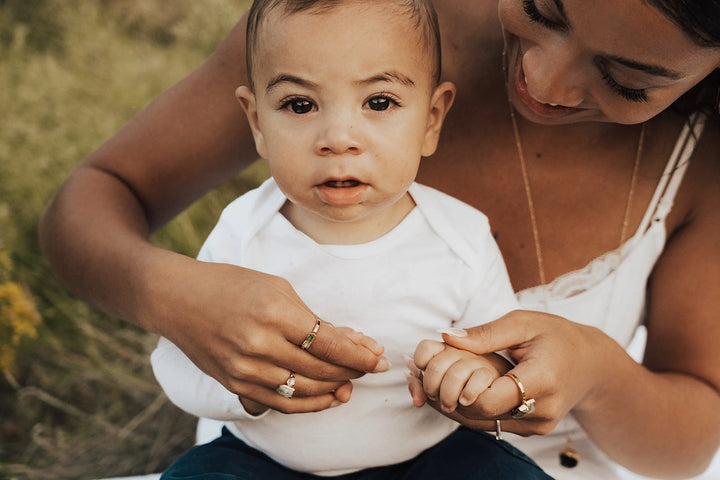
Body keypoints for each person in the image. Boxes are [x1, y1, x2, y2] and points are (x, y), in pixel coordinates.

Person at [38, 0, 720, 479]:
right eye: (543, 9)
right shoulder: (344, 26)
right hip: (265, 460)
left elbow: (692, 442)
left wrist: (595, 373)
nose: (544, 82)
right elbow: (88, 204)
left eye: (629, 79)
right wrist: (171, 294)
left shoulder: (704, 164)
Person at [149, 1, 552, 478]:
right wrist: (246, 389)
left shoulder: (460, 236)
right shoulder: (242, 233)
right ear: (257, 122)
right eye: (300, 105)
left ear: (431, 118)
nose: (338, 138)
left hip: (428, 457)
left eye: (379, 102)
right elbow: (181, 359)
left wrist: (474, 375)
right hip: (263, 459)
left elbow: (501, 353)